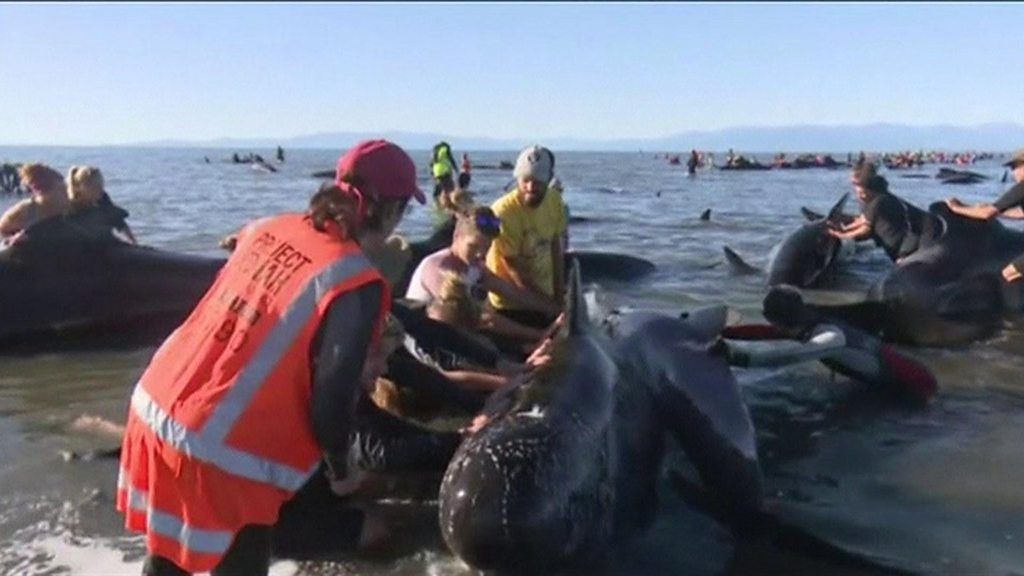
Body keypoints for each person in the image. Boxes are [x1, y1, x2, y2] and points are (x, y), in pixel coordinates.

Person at [115, 139, 426, 576]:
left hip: (154, 409)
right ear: (392, 211)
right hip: (220, 452)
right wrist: (343, 473)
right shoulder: (355, 280)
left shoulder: (268, 227)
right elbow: (332, 401)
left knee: (168, 561)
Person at [407, 205, 562, 345]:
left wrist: (555, 309)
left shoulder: (475, 267)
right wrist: (539, 334)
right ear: (456, 236)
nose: (480, 254)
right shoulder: (438, 267)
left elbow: (511, 292)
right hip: (426, 341)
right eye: (473, 246)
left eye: (486, 247)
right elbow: (481, 318)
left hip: (458, 334)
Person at [485, 145, 566, 329]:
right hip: (511, 304)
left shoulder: (555, 201)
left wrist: (559, 295)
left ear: (549, 179)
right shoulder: (504, 212)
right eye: (525, 180)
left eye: (537, 182)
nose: (530, 187)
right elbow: (515, 272)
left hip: (545, 295)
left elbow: (556, 248)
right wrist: (550, 306)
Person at [827, 162, 941, 263]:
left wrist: (842, 235)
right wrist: (844, 228)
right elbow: (863, 219)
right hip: (901, 242)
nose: (859, 195)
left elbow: (866, 229)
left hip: (907, 247)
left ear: (871, 189)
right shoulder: (874, 200)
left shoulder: (879, 202)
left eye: (862, 192)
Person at [944, 148, 1024, 282]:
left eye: (1015, 167)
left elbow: (986, 214)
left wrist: (956, 208)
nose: (1014, 172)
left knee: (1008, 274)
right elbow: (1021, 214)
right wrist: (996, 213)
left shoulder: (1021, 188)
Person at [65, 165, 137, 244]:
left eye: (101, 186)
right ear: (79, 187)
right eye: (95, 187)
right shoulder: (67, 206)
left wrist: (133, 241)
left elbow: (118, 221)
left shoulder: (102, 199)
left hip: (106, 242)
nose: (100, 191)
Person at [0, 163, 70, 240]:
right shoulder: (26, 209)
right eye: (62, 190)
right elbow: (2, 229)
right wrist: (14, 237)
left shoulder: (65, 204)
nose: (66, 193)